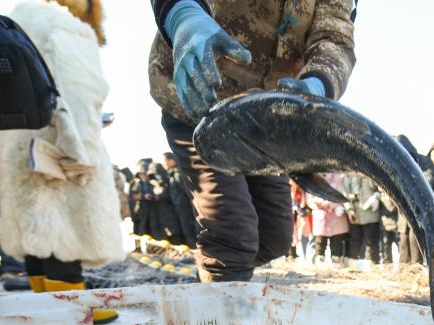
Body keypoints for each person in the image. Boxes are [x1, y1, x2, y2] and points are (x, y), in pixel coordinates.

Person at [149, 0, 356, 282]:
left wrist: (317, 85)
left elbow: (334, 37)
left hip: (264, 119)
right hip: (201, 104)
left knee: (274, 236)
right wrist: (183, 14)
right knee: (232, 231)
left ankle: (216, 276)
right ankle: (220, 313)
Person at [0, 0, 125, 323]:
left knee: (39, 233)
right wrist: (79, 149)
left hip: (20, 144)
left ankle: (51, 309)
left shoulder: (11, 22)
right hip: (58, 145)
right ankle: (78, 311)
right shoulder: (66, 28)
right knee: (64, 231)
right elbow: (79, 93)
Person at [341, 173, 381, 263]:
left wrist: (376, 197)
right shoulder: (347, 176)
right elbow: (344, 194)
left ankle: (371, 264)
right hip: (355, 214)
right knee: (354, 241)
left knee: (370, 242)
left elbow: (381, 189)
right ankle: (353, 264)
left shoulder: (370, 173)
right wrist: (349, 210)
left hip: (371, 214)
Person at [162, 152, 198, 247]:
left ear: (172, 160)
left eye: (164, 160)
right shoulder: (171, 174)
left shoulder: (178, 173)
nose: (163, 163)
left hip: (185, 208)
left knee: (189, 230)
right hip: (179, 208)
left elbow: (187, 191)